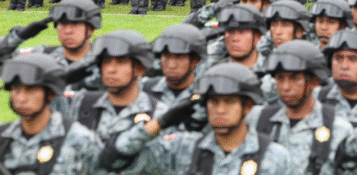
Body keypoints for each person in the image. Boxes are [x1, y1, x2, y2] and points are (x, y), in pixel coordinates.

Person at [100, 63, 291, 175]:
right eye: (213, 102)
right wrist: (159, 123)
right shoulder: (183, 148)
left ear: (247, 107)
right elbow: (114, 160)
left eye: (229, 102)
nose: (220, 110)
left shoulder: (274, 156)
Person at [252, 41, 354, 175]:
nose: (285, 87)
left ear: (314, 82)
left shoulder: (338, 129)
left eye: (295, 78)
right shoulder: (258, 120)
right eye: (280, 78)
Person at [0, 53, 103, 174]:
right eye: (16, 89)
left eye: (31, 89)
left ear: (51, 93)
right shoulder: (4, 139)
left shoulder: (80, 140)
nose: (21, 98)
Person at [67, 30, 165, 142]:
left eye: (121, 62)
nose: (111, 69)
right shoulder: (81, 105)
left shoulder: (159, 114)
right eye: (106, 61)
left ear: (139, 69)